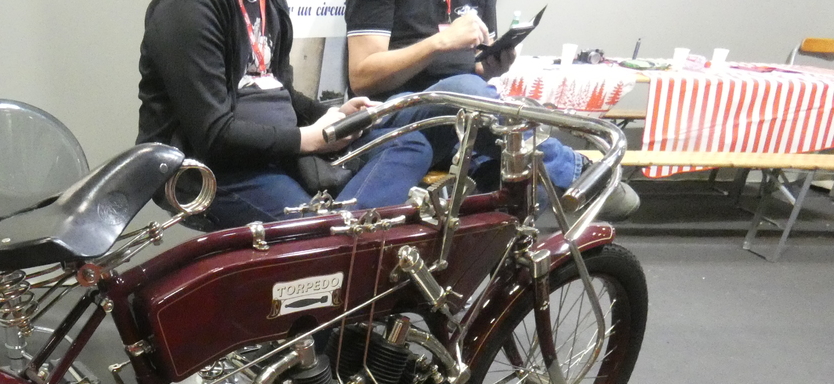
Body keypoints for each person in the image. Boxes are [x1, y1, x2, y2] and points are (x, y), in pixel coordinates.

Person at [136, 0, 442, 228]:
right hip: (217, 168)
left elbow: (278, 89)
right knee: (315, 232)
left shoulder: (270, 5)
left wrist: (333, 114)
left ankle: (340, 231)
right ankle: (334, 235)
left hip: (283, 151)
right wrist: (310, 139)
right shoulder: (185, 9)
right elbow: (213, 135)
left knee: (408, 144)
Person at [344, 0, 640, 218]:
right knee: (464, 89)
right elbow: (362, 77)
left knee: (527, 186)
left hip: (461, 119)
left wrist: (490, 67)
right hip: (392, 114)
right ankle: (577, 172)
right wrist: (438, 43)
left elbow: (471, 68)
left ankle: (472, 281)